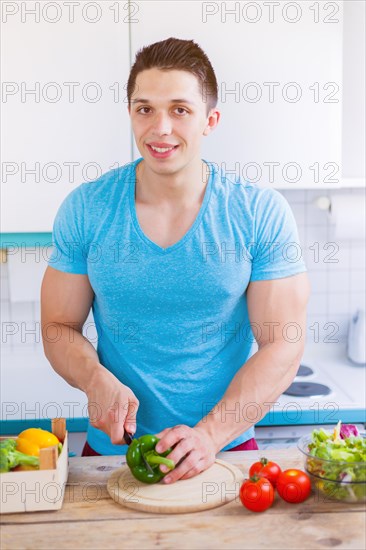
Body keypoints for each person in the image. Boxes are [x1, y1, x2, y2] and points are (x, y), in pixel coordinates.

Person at [41, 37, 310, 484]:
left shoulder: (259, 211)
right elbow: (58, 326)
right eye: (144, 108)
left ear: (210, 120)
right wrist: (93, 379)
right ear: (130, 113)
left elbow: (284, 342)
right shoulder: (86, 208)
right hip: (114, 449)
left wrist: (208, 434)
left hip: (225, 446)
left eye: (180, 110)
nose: (160, 128)